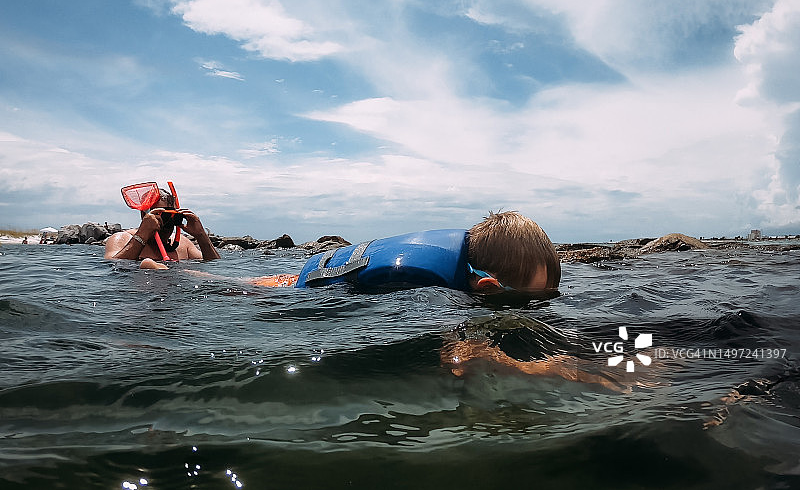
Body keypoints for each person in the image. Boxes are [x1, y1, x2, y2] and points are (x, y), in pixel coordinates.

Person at [250, 211, 561, 297]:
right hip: (295, 289)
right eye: (528, 301)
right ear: (488, 286)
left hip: (312, 273)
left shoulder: (461, 260)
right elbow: (454, 353)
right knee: (232, 286)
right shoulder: (427, 290)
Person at [104, 188, 220, 269]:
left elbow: (214, 265)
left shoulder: (183, 244)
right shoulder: (122, 238)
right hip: (144, 289)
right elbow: (113, 266)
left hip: (178, 287)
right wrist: (142, 235)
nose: (168, 222)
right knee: (148, 265)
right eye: (163, 215)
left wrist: (201, 236)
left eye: (174, 216)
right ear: (145, 215)